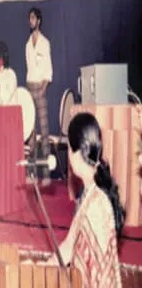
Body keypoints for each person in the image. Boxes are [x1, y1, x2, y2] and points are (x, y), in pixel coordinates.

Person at [44, 113, 123, 287]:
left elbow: (98, 275)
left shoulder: (97, 205)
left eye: (70, 150)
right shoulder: (89, 191)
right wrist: (41, 268)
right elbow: (69, 245)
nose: (69, 157)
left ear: (78, 153)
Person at [26, 7, 53, 185]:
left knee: (44, 132)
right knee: (30, 132)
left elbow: (48, 69)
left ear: (39, 21)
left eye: (33, 18)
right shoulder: (27, 44)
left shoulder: (45, 43)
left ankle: (47, 175)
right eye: (29, 18)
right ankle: (31, 173)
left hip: (40, 89)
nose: (31, 21)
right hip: (29, 87)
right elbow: (30, 68)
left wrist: (43, 88)